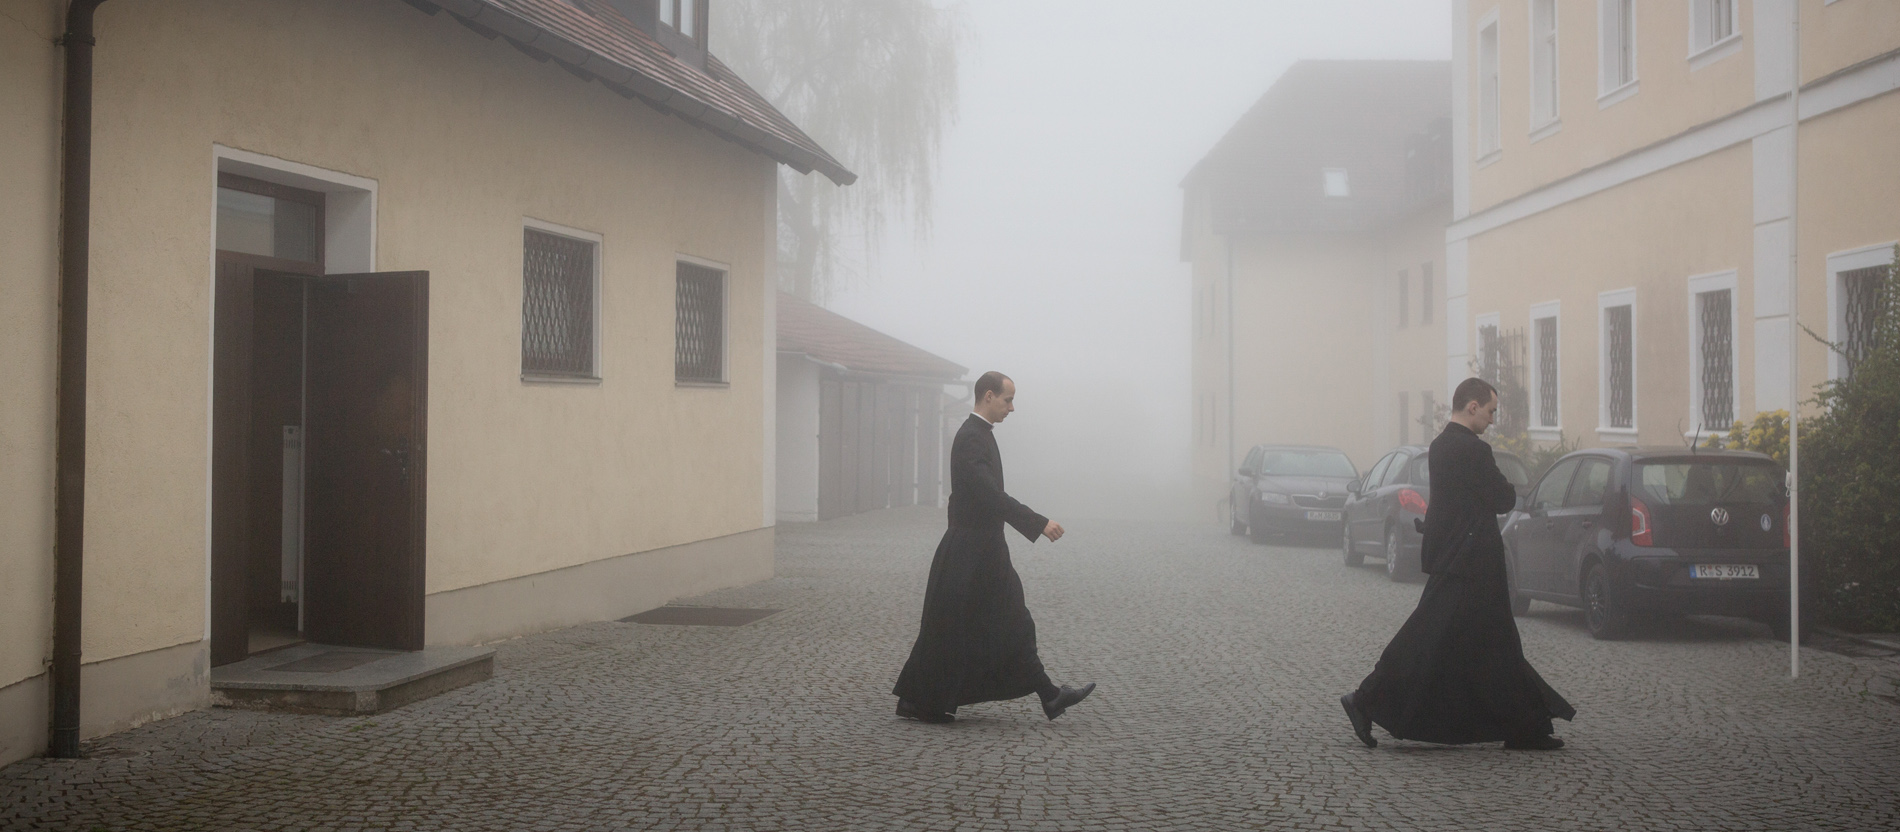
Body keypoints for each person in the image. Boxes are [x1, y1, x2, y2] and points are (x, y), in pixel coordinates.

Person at [1340, 377, 1575, 750]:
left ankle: (1523, 726)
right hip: (1472, 562)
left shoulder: (1439, 446)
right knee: (1432, 637)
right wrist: (1507, 489)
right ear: (1473, 407)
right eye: (1491, 411)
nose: (1492, 419)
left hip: (1457, 557)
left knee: (1490, 643)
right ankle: (1364, 699)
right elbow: (1502, 497)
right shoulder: (1473, 451)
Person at [892, 371, 1095, 724]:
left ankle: (1048, 695)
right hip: (970, 549)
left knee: (1002, 623)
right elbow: (988, 494)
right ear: (988, 396)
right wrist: (1038, 523)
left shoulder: (979, 435)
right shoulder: (971, 437)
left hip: (983, 547)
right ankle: (918, 701)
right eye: (1008, 399)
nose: (1012, 408)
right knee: (954, 627)